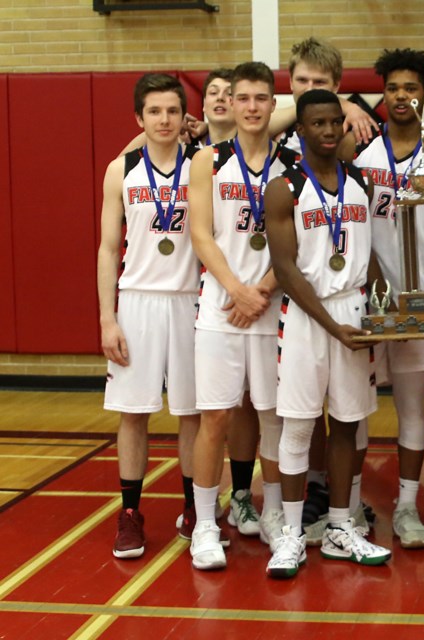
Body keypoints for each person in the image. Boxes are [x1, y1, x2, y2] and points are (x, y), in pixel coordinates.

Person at [263, 89, 391, 577]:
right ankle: (292, 535)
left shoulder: (359, 181)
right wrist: (331, 325)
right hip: (307, 315)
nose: (328, 130)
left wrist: (378, 317)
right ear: (301, 130)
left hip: (352, 310)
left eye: (335, 122)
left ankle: (340, 525)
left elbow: (369, 252)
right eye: (317, 123)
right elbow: (285, 268)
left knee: (348, 423)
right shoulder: (283, 187)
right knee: (298, 425)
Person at [187, 61, 300, 571]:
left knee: (276, 419)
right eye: (243, 98)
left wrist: (263, 289)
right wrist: (237, 289)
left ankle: (275, 515)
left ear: (273, 106)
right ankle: (207, 525)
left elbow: (298, 243)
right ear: (229, 104)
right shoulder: (207, 161)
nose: (252, 107)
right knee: (215, 418)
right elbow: (202, 234)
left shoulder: (292, 165)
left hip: (275, 306)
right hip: (221, 307)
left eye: (261, 98)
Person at [97, 73, 201, 559]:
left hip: (189, 300)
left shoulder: (203, 166)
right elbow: (105, 247)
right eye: (154, 112)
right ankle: (131, 514)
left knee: (191, 413)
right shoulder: (121, 169)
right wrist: (106, 319)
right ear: (139, 118)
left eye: (172, 111)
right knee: (133, 412)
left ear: (185, 118)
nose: (163, 119)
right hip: (136, 299)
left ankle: (194, 509)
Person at [353, 47, 424, 549]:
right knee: (357, 409)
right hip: (365, 303)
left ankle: (408, 508)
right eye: (393, 89)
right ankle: (354, 506)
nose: (402, 96)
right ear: (382, 95)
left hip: (419, 302)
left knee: (413, 410)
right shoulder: (359, 152)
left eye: (412, 88)